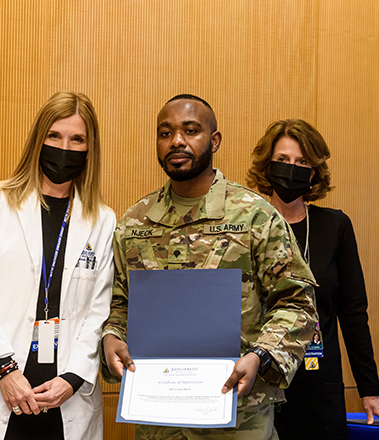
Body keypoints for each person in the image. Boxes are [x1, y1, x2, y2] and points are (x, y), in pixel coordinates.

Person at [101, 95, 318, 440]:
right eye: (165, 132)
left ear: (214, 141)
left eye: (191, 130)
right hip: (158, 419)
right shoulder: (134, 223)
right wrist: (112, 336)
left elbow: (297, 303)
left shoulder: (254, 216)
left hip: (237, 417)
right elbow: (120, 304)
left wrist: (261, 356)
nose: (177, 141)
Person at [0, 92, 116, 440]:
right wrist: (6, 370)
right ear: (37, 141)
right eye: (55, 136)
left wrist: (72, 379)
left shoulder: (102, 221)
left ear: (91, 150)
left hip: (63, 399)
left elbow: (98, 311)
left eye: (78, 139)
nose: (65, 147)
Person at [247, 119, 379, 439]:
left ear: (315, 171)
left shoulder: (335, 227)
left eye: (302, 162)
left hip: (318, 385)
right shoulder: (248, 225)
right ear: (267, 166)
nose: (292, 169)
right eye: (283, 160)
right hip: (258, 383)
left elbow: (353, 313)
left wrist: (369, 394)